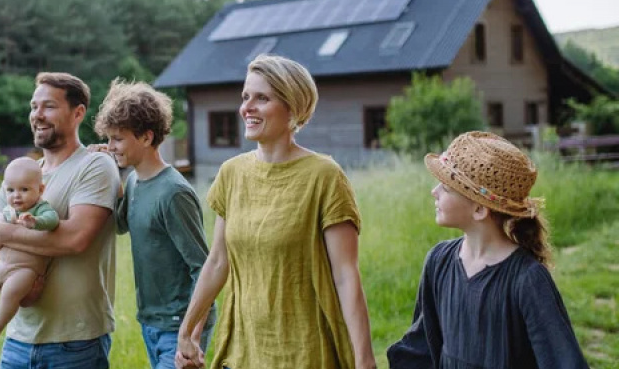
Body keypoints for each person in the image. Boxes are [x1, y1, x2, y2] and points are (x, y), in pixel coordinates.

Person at [175, 55, 377, 369]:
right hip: (243, 348)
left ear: (293, 108)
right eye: (245, 97)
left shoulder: (325, 176)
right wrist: (187, 331)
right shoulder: (232, 173)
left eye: (262, 98)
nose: (247, 108)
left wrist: (365, 362)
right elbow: (217, 261)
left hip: (305, 351)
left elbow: (346, 276)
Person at [387, 131, 589, 368]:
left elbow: (562, 361)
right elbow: (422, 345)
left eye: (447, 186)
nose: (435, 191)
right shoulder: (438, 261)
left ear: (480, 210)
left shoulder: (527, 279)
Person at [0, 72, 122, 369]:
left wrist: (1, 232)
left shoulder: (95, 165)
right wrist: (3, 258)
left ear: (78, 113)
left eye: (48, 106)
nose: (37, 115)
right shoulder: (20, 175)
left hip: (75, 343)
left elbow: (75, 239)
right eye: (34, 107)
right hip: (18, 339)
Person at [91, 79, 217, 369]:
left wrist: (192, 338)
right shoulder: (134, 179)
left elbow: (204, 267)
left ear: (146, 138)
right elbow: (121, 224)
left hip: (179, 326)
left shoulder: (174, 193)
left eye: (117, 139)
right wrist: (106, 169)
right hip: (151, 321)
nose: (110, 146)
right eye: (109, 138)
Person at [0, 157, 59, 346]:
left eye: (24, 189)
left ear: (40, 190)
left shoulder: (40, 208)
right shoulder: (8, 210)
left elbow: (53, 220)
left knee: (10, 293)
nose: (16, 196)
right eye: (10, 190)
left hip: (25, 270)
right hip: (2, 264)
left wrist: (35, 222)